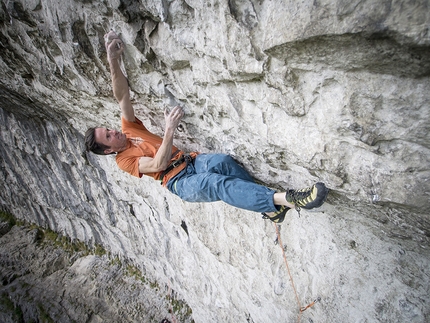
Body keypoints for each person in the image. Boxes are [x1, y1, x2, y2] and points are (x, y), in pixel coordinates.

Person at [84, 31, 329, 223]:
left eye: (109, 129)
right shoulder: (123, 161)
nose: (114, 131)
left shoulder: (128, 129)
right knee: (215, 183)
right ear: (108, 150)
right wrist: (169, 129)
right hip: (178, 181)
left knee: (223, 162)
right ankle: (290, 199)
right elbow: (158, 165)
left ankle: (272, 210)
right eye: (108, 136)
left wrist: (113, 59)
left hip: (189, 161)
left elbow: (122, 96)